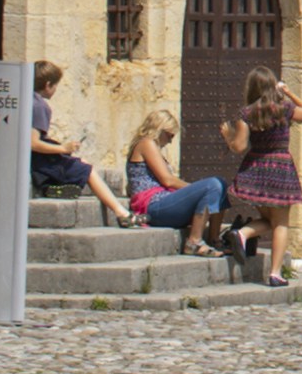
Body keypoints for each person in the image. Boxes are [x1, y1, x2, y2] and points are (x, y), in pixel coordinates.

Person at [222, 69, 302, 280]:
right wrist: (289, 93)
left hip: (257, 167)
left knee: (268, 218)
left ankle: (242, 233)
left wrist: (228, 136)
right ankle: (275, 273)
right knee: (280, 222)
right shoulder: (285, 109)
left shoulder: (247, 113)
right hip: (280, 168)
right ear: (272, 86)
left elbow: (239, 146)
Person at [28, 62, 130, 222]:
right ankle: (121, 213)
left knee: (79, 163)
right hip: (36, 160)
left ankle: (53, 185)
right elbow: (33, 143)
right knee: (86, 169)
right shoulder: (39, 106)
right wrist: (62, 148)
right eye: (56, 86)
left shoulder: (25, 98)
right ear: (48, 85)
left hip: (33, 158)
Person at [119, 111, 230, 252]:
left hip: (164, 202)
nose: (170, 141)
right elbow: (167, 180)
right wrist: (196, 189)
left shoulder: (152, 148)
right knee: (213, 185)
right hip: (154, 205)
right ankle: (194, 242)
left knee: (221, 185)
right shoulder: (146, 143)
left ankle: (214, 240)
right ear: (160, 130)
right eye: (170, 136)